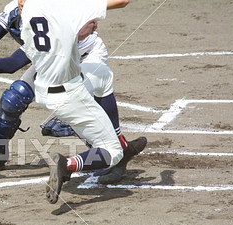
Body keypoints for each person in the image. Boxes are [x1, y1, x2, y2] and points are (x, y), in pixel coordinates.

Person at [0, 0, 144, 184]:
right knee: (14, 98)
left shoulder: (57, 13)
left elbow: (12, 64)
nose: (22, 3)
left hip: (86, 57)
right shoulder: (19, 9)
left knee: (77, 106)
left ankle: (116, 152)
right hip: (51, 61)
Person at [19, 0, 146, 203]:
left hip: (43, 88)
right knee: (112, 153)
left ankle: (122, 142)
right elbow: (122, 1)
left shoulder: (28, 10)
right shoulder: (71, 8)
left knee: (103, 75)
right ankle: (67, 165)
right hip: (69, 94)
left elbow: (60, 37)